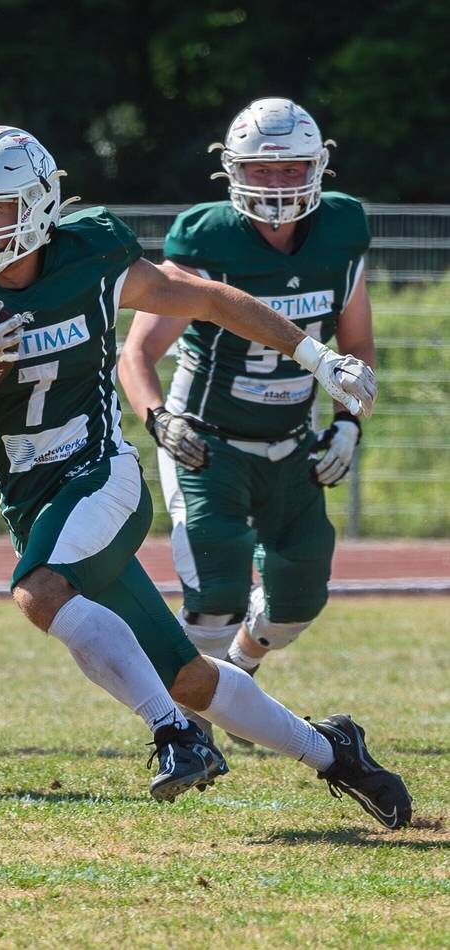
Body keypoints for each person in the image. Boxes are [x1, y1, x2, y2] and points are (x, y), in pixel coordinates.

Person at [0, 125, 410, 828]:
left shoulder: (91, 258)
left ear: (38, 205)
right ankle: (335, 752)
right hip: (34, 504)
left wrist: (315, 357)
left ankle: (174, 735)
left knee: (38, 592)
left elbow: (208, 299)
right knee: (190, 676)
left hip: (103, 475)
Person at [118, 98, 374, 698]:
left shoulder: (341, 230)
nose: (277, 184)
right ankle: (182, 720)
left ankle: (237, 673)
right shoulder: (208, 239)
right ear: (233, 169)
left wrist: (348, 424)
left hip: (292, 441)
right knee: (216, 595)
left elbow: (357, 343)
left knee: (297, 601)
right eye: (262, 169)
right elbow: (137, 354)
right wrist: (160, 420)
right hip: (208, 442)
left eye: (290, 169)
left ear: (318, 168)